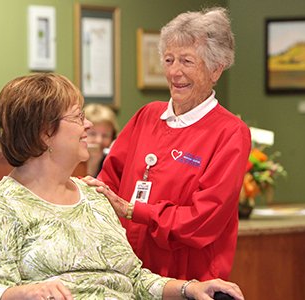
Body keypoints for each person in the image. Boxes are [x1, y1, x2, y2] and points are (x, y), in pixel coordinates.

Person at [0, 73, 245, 300]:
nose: (88, 125)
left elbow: (135, 279)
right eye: (78, 117)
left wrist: (189, 288)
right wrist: (27, 293)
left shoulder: (94, 197)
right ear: (45, 133)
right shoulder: (3, 205)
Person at [83, 7, 251, 281]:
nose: (174, 72)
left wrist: (134, 211)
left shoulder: (230, 132)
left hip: (188, 281)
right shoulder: (147, 116)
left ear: (216, 69)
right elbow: (109, 179)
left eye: (187, 61)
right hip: (129, 274)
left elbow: (203, 220)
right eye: (169, 60)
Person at [83, 103, 119, 176]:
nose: (99, 140)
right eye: (92, 134)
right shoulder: (70, 158)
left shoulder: (113, 161)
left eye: (105, 135)